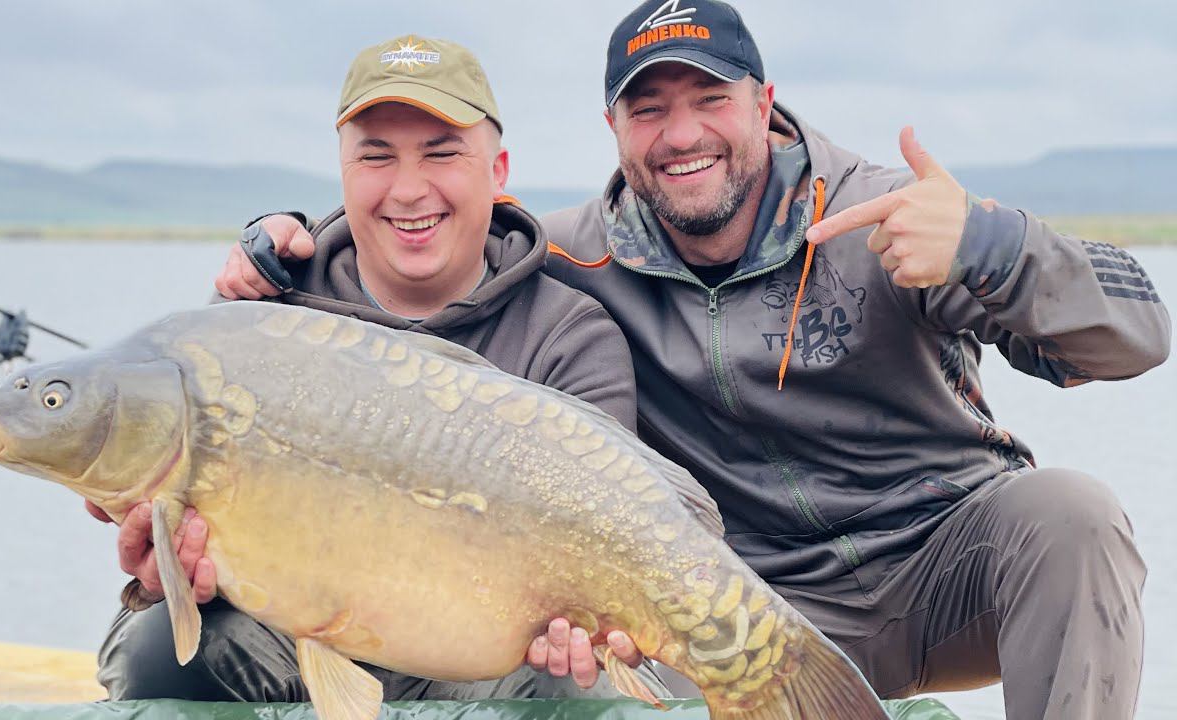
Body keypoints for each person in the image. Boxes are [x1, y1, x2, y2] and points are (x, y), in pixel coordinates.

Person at [222, 3, 1172, 718]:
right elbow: (439, 231)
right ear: (613, 129)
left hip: (948, 581)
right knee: (590, 678)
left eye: (709, 98)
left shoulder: (887, 216)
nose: (680, 134)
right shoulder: (574, 257)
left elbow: (1136, 340)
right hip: (732, 618)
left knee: (1075, 513)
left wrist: (994, 246)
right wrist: (287, 244)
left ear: (764, 104)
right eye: (648, 109)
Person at [91, 33, 704, 703]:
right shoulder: (260, 312)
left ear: (497, 172)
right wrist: (161, 576)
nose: (409, 190)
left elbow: (614, 541)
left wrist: (594, 625)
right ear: (345, 171)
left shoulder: (568, 335)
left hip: (480, 652)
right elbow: (166, 522)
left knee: (587, 686)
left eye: (441, 154)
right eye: (377, 157)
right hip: (287, 634)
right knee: (159, 650)